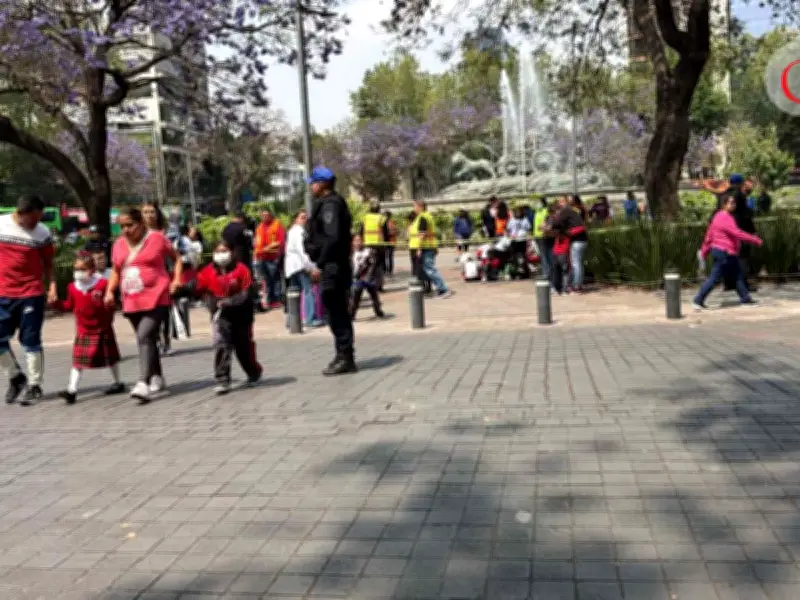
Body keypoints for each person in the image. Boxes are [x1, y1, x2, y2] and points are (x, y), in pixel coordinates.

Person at [105, 208, 183, 404]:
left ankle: (143, 382)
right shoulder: (118, 245)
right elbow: (116, 270)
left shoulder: (156, 238)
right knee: (147, 340)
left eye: (129, 225)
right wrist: (109, 291)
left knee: (144, 336)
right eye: (121, 226)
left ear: (140, 223)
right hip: (131, 299)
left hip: (157, 296)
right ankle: (157, 376)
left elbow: (177, 258)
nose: (125, 230)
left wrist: (176, 280)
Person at [175, 241, 262, 394]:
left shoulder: (241, 270)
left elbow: (247, 293)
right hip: (220, 316)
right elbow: (196, 285)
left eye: (225, 250)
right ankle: (223, 379)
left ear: (232, 252)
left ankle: (253, 372)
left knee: (243, 348)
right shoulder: (208, 271)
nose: (221, 254)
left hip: (242, 315)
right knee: (222, 345)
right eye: (218, 251)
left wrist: (230, 301)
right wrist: (178, 290)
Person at [0, 194, 57, 405]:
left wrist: (52, 286)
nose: (35, 223)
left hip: (30, 293)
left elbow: (49, 263)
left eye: (38, 218)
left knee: (30, 339)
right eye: (32, 219)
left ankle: (34, 384)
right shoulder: (2, 225)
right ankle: (15, 376)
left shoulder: (42, 233)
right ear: (19, 213)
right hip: (3, 293)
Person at [49, 253, 125, 404]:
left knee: (110, 358)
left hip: (102, 328)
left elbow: (110, 305)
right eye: (76, 269)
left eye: (81, 269)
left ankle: (117, 382)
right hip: (84, 330)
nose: (78, 272)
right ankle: (72, 390)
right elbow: (69, 306)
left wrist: (109, 316)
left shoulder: (102, 284)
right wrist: (55, 303)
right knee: (78, 361)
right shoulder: (72, 287)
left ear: (91, 270)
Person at [304, 166, 357, 375]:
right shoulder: (328, 204)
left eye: (314, 182)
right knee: (334, 312)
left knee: (336, 313)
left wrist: (320, 262)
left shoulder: (330, 205)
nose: (311, 186)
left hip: (333, 266)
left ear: (323, 184)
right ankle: (342, 354)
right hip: (333, 264)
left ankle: (345, 357)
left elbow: (332, 238)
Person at [692, 194, 762, 310]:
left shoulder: (717, 216)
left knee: (738, 275)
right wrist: (755, 240)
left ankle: (745, 299)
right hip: (724, 252)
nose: (733, 205)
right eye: (731, 202)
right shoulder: (724, 217)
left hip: (727, 252)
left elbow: (709, 236)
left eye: (734, 202)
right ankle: (698, 300)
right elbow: (737, 233)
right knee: (714, 278)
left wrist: (704, 251)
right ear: (724, 205)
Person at [142, 201, 175, 354]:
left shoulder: (165, 232)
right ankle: (153, 340)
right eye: (146, 212)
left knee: (164, 311)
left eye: (151, 212)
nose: (149, 215)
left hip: (163, 276)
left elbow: (175, 256)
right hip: (143, 278)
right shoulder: (138, 233)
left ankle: (166, 339)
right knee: (148, 311)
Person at [285, 209, 323, 328]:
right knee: (308, 291)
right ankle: (310, 319)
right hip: (300, 265)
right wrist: (312, 267)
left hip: (293, 266)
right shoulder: (299, 232)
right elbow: (303, 251)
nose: (305, 219)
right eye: (302, 217)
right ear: (296, 219)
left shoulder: (292, 231)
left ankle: (292, 320)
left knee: (295, 293)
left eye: (306, 217)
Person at [409, 199, 451, 299]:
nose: (414, 208)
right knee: (428, 269)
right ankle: (438, 289)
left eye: (415, 206)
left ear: (421, 207)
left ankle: (443, 289)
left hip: (426, 247)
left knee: (430, 270)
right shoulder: (426, 216)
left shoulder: (423, 217)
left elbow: (422, 235)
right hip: (429, 246)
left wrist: (419, 248)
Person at [553, 196, 589, 293]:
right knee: (579, 263)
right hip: (583, 240)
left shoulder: (568, 211)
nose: (560, 203)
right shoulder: (578, 211)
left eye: (562, 201)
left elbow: (556, 223)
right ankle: (578, 284)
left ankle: (576, 285)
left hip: (577, 240)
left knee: (575, 264)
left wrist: (552, 225)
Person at [254, 210, 286, 309]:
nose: (264, 217)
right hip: (261, 257)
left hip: (273, 257)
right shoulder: (259, 227)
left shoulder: (277, 225)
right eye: (262, 215)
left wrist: (268, 248)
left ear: (271, 216)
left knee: (275, 279)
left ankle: (276, 300)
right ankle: (269, 300)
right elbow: (256, 242)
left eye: (266, 215)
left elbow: (281, 241)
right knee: (266, 280)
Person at [350, 234, 385, 320]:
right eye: (356, 241)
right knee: (355, 297)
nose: (358, 243)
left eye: (359, 240)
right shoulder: (350, 253)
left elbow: (374, 263)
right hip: (357, 278)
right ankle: (351, 314)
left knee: (374, 296)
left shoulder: (368, 251)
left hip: (368, 277)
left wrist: (369, 275)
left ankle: (378, 311)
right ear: (352, 242)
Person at [358, 201, 389, 292]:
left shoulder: (365, 218)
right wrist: (386, 244)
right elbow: (385, 233)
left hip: (367, 245)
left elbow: (360, 231)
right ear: (379, 209)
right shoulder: (381, 218)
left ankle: (369, 283)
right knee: (379, 265)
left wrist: (361, 243)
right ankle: (379, 286)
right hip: (378, 245)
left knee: (368, 265)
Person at [506, 205, 532, 279]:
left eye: (519, 212)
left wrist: (529, 240)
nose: (518, 213)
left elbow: (529, 230)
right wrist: (509, 237)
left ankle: (525, 273)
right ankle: (514, 273)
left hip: (522, 240)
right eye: (516, 212)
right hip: (514, 241)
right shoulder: (511, 220)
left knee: (523, 257)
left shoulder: (525, 220)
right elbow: (507, 230)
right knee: (513, 257)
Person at [533, 197, 553, 278]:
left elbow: (547, 222)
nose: (536, 204)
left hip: (545, 235)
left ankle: (548, 274)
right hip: (538, 236)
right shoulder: (537, 211)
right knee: (543, 256)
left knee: (546, 256)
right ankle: (547, 273)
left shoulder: (546, 211)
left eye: (538, 201)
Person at [383, 210, 398, 277]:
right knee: (385, 256)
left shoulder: (392, 222)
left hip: (391, 241)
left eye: (385, 215)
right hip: (385, 242)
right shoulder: (383, 222)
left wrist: (389, 232)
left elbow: (395, 231)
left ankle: (390, 271)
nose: (384, 216)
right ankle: (386, 270)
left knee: (390, 256)